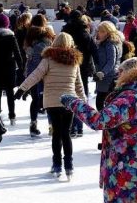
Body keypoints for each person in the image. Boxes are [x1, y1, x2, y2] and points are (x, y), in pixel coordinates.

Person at [62, 57, 137, 202]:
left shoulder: (131, 98)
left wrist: (74, 102)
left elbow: (100, 121)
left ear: (129, 73)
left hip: (128, 168)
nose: (117, 76)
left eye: (120, 72)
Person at [16, 33, 87, 180]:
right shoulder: (74, 61)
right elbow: (79, 85)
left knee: (56, 134)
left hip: (52, 102)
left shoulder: (48, 59)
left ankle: (56, 165)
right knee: (66, 133)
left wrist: (22, 88)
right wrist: (83, 103)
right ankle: (69, 165)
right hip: (69, 102)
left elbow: (36, 74)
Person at [62, 13, 97, 136]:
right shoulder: (85, 33)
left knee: (69, 95)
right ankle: (80, 126)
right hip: (83, 66)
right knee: (82, 95)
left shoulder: (65, 32)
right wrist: (97, 68)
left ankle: (71, 127)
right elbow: (94, 51)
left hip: (67, 67)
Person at [23, 14, 55, 137]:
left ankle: (33, 124)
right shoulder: (47, 35)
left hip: (31, 70)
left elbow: (27, 52)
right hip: (45, 70)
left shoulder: (29, 35)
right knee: (47, 99)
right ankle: (51, 125)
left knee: (35, 99)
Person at [93, 21, 123, 112]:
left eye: (102, 31)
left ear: (109, 32)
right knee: (104, 102)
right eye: (99, 31)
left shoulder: (110, 44)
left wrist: (102, 72)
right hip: (104, 76)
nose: (99, 33)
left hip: (108, 77)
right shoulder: (104, 42)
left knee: (101, 102)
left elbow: (111, 61)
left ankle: (106, 123)